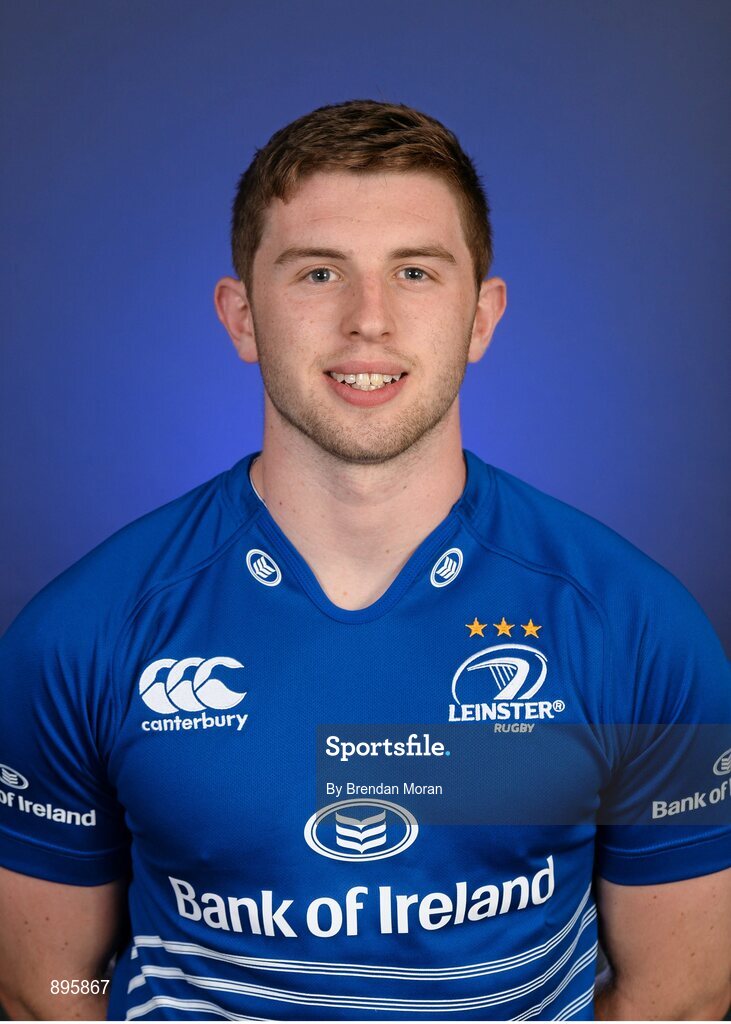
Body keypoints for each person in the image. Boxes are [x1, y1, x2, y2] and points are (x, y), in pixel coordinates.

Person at [0, 99, 729, 1023]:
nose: (368, 321)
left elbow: (679, 996)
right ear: (241, 316)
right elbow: (49, 991)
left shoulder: (637, 629)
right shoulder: (77, 637)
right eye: (316, 273)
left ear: (480, 316)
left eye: (416, 272)